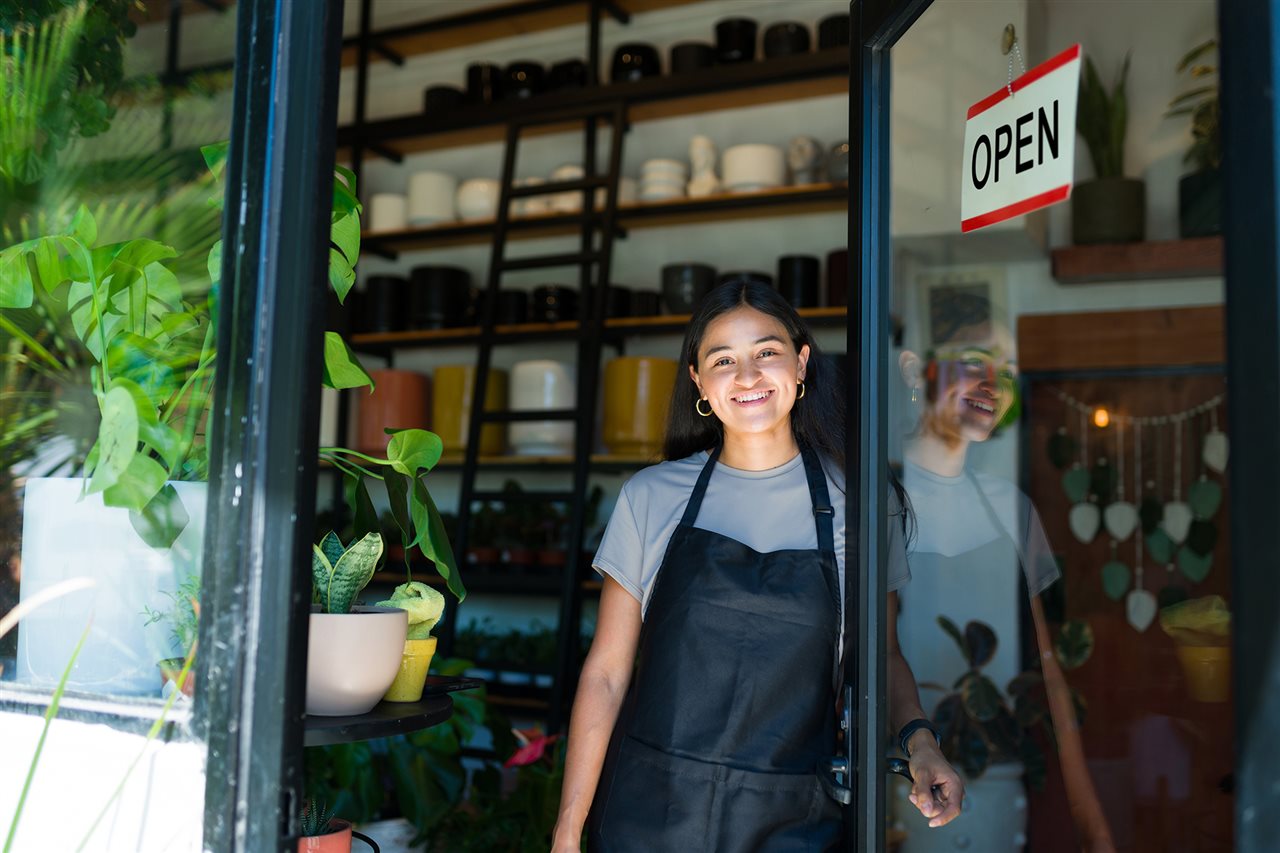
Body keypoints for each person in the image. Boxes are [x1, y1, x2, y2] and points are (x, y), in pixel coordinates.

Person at [552, 281, 963, 852]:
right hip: (650, 815)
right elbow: (605, 675)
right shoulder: (651, 496)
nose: (747, 376)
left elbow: (881, 656)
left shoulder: (864, 505)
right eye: (723, 360)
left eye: (766, 352)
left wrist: (921, 743)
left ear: (800, 364)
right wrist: (568, 830)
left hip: (793, 822)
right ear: (698, 382)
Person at [897, 313, 1116, 852]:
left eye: (1008, 372)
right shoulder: (873, 500)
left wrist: (1091, 819)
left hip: (998, 785)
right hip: (896, 788)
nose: (993, 385)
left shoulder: (1010, 509)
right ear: (913, 371)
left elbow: (1049, 671)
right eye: (974, 362)